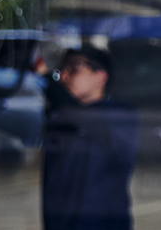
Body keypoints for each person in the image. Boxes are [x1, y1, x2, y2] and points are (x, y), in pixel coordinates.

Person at [41, 48, 139, 230]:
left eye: (74, 70)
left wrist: (44, 78)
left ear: (100, 77)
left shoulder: (119, 115)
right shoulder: (59, 116)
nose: (64, 77)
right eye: (62, 71)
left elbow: (79, 116)